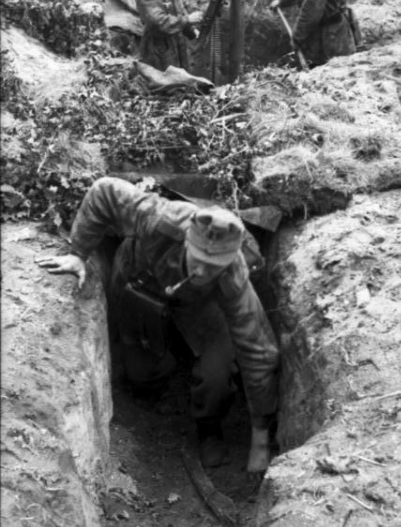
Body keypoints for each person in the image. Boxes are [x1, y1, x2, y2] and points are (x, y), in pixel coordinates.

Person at [36, 177, 279, 473]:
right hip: (143, 281)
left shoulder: (233, 276)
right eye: (198, 259)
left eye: (213, 266)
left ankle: (209, 429)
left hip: (202, 305)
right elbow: (104, 191)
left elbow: (258, 352)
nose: (202, 271)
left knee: (217, 374)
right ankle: (151, 390)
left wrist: (261, 437)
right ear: (187, 239)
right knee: (141, 374)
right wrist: (79, 253)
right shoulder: (162, 219)